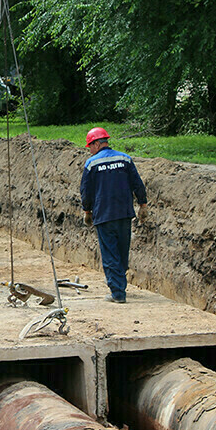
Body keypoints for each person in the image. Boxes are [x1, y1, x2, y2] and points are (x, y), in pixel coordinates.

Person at [80, 127, 147, 303]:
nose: (90, 149)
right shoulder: (125, 158)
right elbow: (137, 183)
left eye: (90, 146)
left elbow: (86, 191)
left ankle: (118, 293)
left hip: (103, 214)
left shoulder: (91, 164)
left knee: (110, 253)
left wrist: (87, 211)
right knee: (122, 250)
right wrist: (143, 204)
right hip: (124, 213)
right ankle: (118, 280)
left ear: (96, 143)